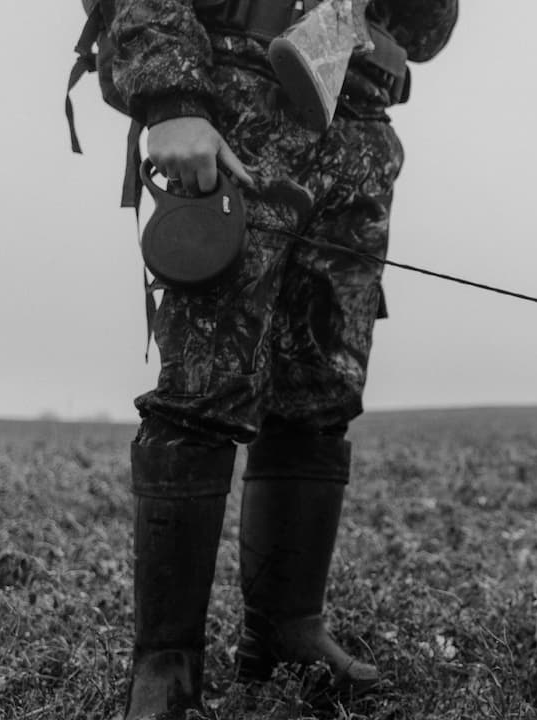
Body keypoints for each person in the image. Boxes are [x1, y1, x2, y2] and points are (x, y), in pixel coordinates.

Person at [109, 1, 458, 717]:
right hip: (234, 111)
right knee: (201, 392)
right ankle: (166, 667)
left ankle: (286, 633)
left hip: (355, 127)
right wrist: (173, 100)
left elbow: (424, 36)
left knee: (320, 393)